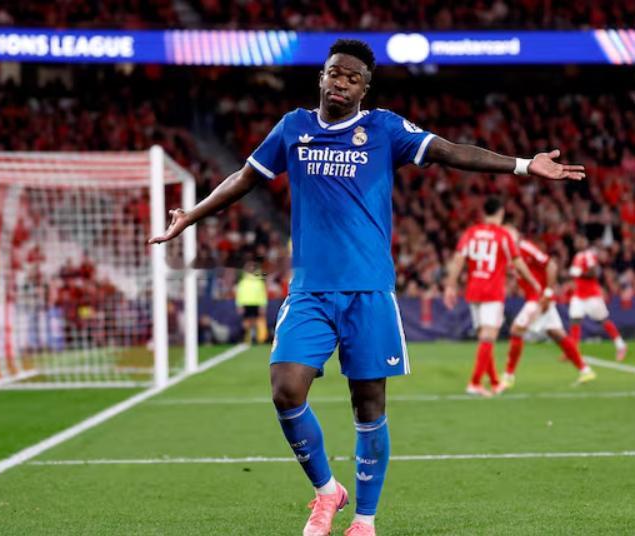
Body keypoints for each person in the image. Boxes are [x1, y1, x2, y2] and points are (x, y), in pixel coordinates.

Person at [149, 39, 584, 536]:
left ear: (364, 89)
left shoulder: (384, 129)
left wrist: (524, 165)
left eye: (352, 78)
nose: (341, 83)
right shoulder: (293, 127)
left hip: (370, 292)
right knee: (286, 390)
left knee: (368, 405)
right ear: (321, 77)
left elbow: (449, 151)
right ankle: (327, 491)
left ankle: (363, 520)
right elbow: (245, 177)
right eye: (335, 73)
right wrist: (191, 215)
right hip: (310, 291)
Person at [443, 198, 541, 397]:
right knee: (488, 338)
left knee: (484, 339)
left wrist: (450, 286)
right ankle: (475, 383)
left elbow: (458, 259)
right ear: (501, 212)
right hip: (492, 292)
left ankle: (495, 382)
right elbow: (518, 261)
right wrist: (533, 281)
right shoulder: (503, 235)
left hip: (474, 290)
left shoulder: (471, 233)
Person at [502, 226, 596, 386]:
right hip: (535, 297)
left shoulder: (525, 247)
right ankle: (585, 370)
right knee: (557, 334)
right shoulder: (510, 255)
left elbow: (551, 265)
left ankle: (508, 376)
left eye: (509, 235)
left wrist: (548, 293)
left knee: (516, 331)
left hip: (539, 298)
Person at [569, 237, 627, 361]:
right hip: (579, 295)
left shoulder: (589, 255)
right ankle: (573, 350)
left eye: (580, 241)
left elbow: (594, 272)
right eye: (576, 241)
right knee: (575, 320)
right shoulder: (577, 256)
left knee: (603, 320)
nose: (577, 243)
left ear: (585, 243)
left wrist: (580, 273)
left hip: (592, 295)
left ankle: (621, 345)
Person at [235, 260, 269, 344]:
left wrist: (263, 305)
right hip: (246, 303)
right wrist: (239, 305)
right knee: (246, 322)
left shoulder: (259, 281)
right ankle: (245, 337)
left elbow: (262, 294)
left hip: (256, 303)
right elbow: (239, 294)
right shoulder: (242, 282)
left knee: (255, 321)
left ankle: (254, 337)